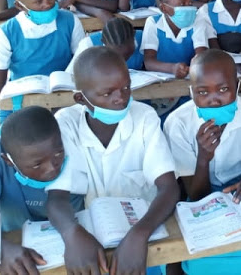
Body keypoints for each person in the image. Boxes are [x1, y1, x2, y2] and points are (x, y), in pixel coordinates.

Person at [47, 47, 181, 275]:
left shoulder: (145, 117)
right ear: (81, 98)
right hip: (93, 237)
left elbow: (168, 188)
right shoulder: (66, 123)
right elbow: (57, 198)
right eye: (107, 93)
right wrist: (72, 233)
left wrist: (139, 234)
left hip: (145, 230)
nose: (120, 98)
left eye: (126, 87)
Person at [164, 50, 241, 275]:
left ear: (237, 85)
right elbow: (194, 195)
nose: (214, 100)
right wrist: (203, 158)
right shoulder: (178, 124)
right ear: (191, 92)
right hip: (199, 200)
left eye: (224, 89)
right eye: (203, 92)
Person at [0, 106, 83, 274]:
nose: (51, 168)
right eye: (37, 164)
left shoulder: (71, 142)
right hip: (14, 247)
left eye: (58, 154)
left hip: (76, 242)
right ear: (8, 161)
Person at [0, 0, 84, 141]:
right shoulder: (6, 33)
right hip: (21, 103)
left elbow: (83, 63)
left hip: (64, 98)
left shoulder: (70, 21)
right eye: (38, 1)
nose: (47, 4)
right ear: (20, 6)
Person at [142, 0, 206, 77]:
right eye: (182, 4)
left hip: (189, 76)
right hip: (161, 80)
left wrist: (191, 68)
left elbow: (201, 56)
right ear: (164, 8)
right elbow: (149, 62)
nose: (188, 8)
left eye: (190, 3)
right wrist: (172, 68)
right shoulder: (153, 23)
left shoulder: (197, 20)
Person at [68, 17, 144, 72]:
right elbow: (70, 76)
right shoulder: (88, 45)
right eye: (114, 56)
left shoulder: (143, 38)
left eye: (128, 54)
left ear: (134, 36)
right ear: (103, 42)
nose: (122, 62)